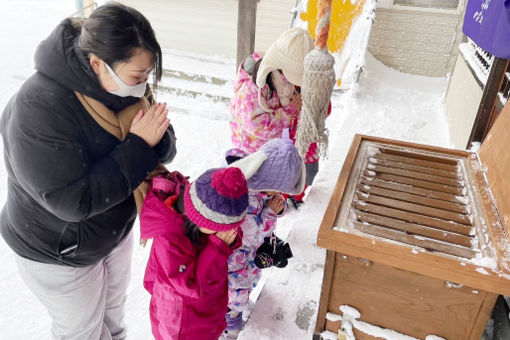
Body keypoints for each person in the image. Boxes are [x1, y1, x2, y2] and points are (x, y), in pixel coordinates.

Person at [0, 3, 175, 339]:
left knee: (113, 319)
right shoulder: (38, 107)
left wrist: (155, 141)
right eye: (137, 76)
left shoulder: (122, 84)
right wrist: (140, 145)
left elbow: (162, 140)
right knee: (82, 332)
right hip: (57, 248)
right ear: (97, 63)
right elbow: (72, 202)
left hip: (112, 230)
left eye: (147, 75)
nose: (143, 85)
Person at [140, 167, 247, 340]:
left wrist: (227, 238)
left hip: (205, 311)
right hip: (182, 322)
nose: (231, 231)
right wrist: (219, 247)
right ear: (200, 219)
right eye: (224, 228)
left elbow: (227, 227)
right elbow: (190, 284)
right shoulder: (169, 239)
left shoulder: (205, 211)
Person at [229, 27, 323, 207]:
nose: (295, 85)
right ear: (279, 69)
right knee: (254, 193)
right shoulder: (252, 88)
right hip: (252, 149)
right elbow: (256, 126)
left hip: (274, 146)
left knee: (270, 196)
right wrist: (289, 111)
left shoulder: (281, 81)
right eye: (293, 79)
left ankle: (269, 218)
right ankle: (256, 222)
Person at [222, 137, 306, 338]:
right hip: (234, 261)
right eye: (278, 189)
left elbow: (272, 207)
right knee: (233, 297)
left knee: (245, 286)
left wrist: (277, 208)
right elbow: (249, 235)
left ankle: (236, 309)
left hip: (248, 258)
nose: (279, 194)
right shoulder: (242, 197)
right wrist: (269, 212)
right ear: (269, 179)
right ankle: (229, 327)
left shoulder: (260, 185)